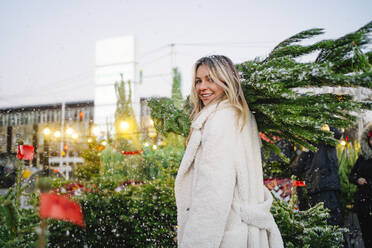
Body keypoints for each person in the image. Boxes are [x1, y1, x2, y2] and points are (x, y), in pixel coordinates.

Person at [174, 55, 283, 248]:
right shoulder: (239, 115)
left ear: (227, 80)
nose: (202, 87)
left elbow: (212, 192)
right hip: (244, 232)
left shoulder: (220, 121)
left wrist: (196, 242)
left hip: (226, 234)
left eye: (211, 79)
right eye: (198, 81)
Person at [293, 125, 343, 226]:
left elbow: (337, 133)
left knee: (328, 221)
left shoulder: (327, 140)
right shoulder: (309, 144)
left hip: (326, 186)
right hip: (317, 187)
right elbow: (297, 167)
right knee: (323, 222)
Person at [349, 123, 372, 248]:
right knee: (366, 233)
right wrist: (358, 180)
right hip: (363, 201)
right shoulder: (363, 158)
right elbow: (352, 175)